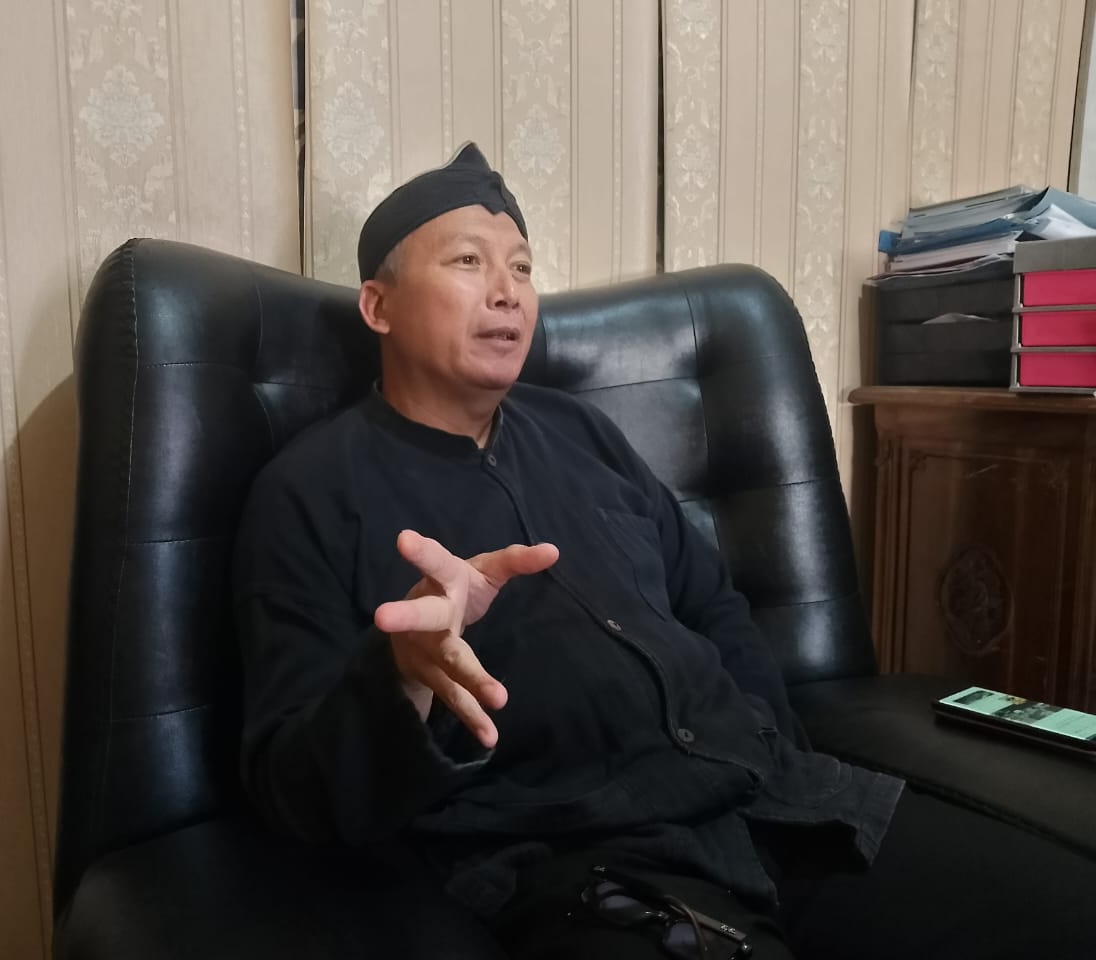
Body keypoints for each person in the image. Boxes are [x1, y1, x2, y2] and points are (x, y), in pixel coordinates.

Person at [235, 143, 1095, 959]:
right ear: (378, 306)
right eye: (468, 262)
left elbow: (710, 602)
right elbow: (289, 787)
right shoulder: (307, 492)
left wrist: (771, 736)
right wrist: (403, 680)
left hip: (780, 807)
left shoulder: (581, 432)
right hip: (595, 864)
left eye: (522, 268)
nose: (508, 293)